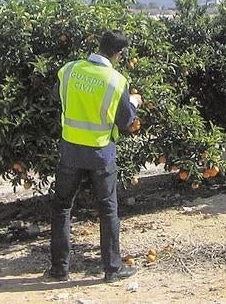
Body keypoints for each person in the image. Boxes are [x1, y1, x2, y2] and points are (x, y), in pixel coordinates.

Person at [48, 30, 143, 283]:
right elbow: (125, 122)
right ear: (119, 53)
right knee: (107, 209)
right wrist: (133, 102)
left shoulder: (69, 70)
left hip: (70, 150)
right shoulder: (116, 81)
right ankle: (112, 269)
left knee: (62, 207)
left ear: (98, 46)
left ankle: (59, 269)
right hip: (100, 153)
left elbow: (55, 96)